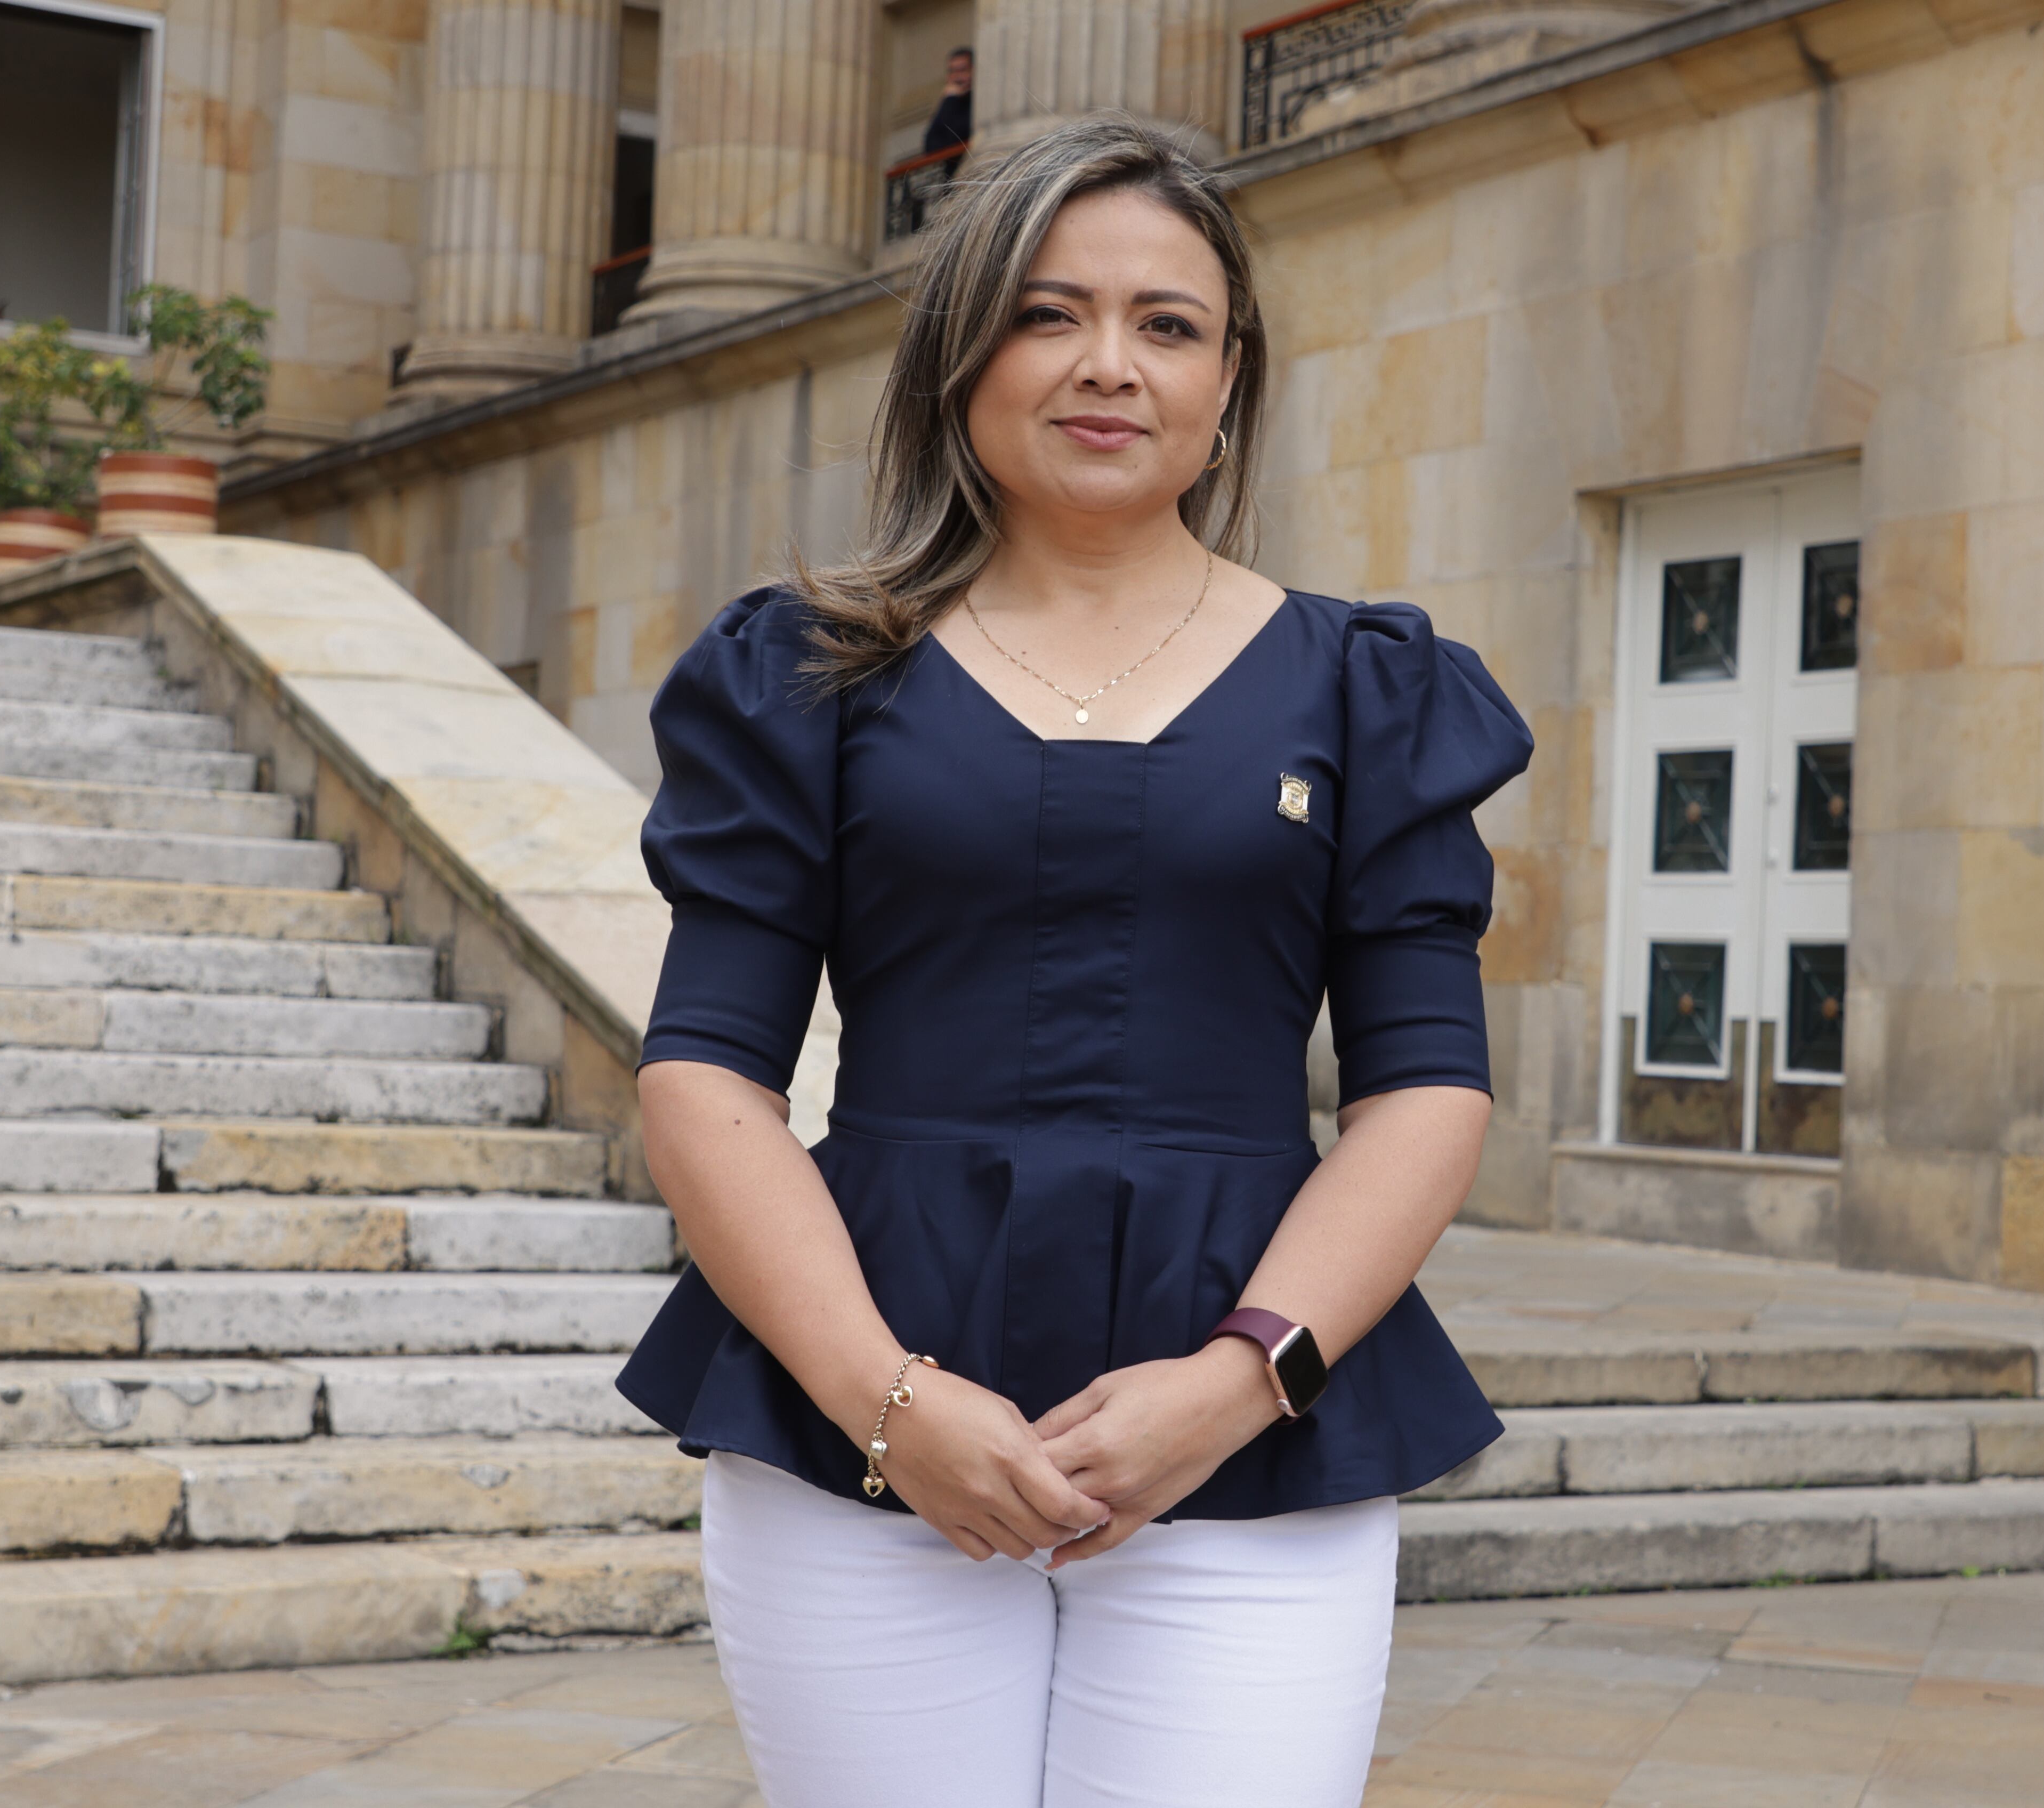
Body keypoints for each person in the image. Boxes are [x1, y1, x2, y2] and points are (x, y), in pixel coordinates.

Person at [621, 115, 1530, 1807]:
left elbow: (1423, 1093)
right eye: (1049, 313)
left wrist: (1237, 1383)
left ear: (1228, 378)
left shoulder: (1367, 689)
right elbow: (704, 1073)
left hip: (1247, 1439)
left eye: (1167, 324)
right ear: (962, 352)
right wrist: (888, 1404)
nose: (1110, 363)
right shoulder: (806, 674)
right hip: (865, 1431)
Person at [923, 45, 973, 157]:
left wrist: (951, 100)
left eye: (962, 70)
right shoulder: (950, 101)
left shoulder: (978, 102)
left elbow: (957, 137)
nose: (956, 77)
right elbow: (931, 147)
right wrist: (950, 100)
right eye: (952, 72)